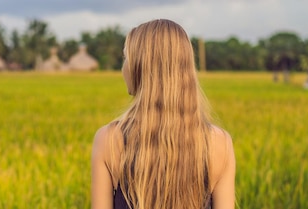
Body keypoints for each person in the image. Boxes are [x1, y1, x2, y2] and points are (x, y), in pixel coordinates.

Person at [91, 19, 236, 209]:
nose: (123, 68)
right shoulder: (219, 143)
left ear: (141, 66)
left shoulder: (109, 140)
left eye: (126, 58)